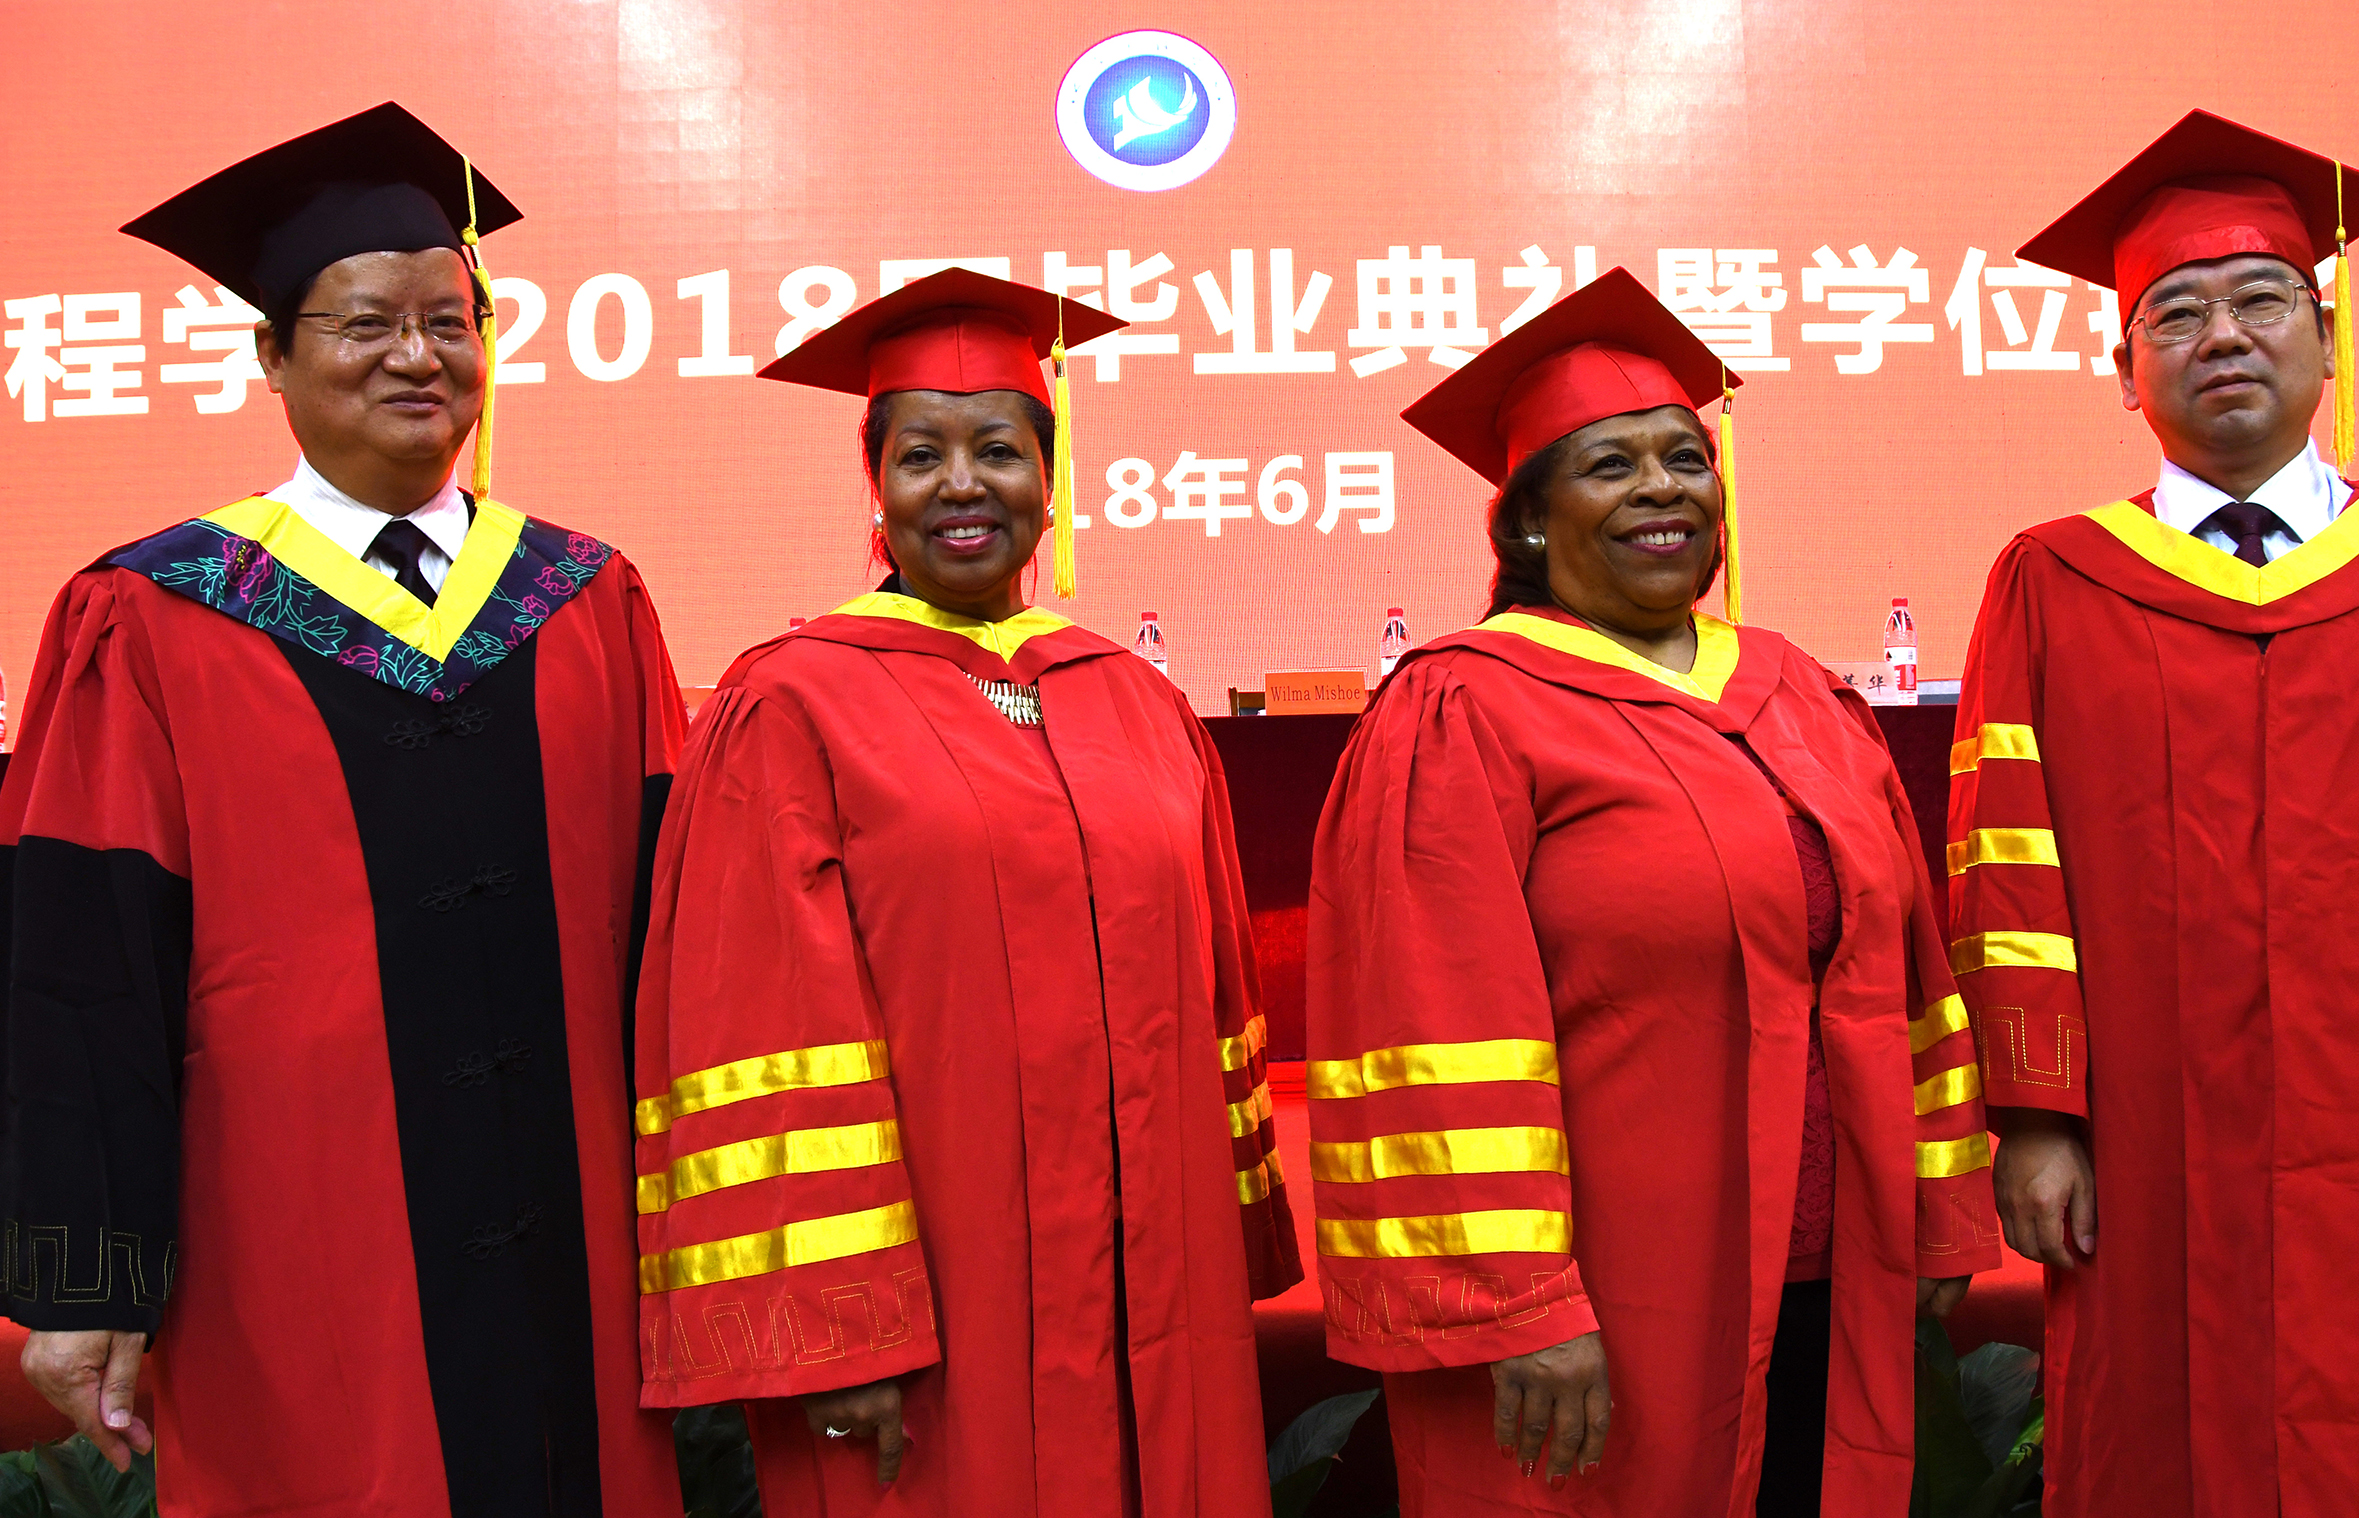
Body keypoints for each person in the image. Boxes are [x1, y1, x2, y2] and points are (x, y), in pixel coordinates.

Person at [0, 103, 686, 1514]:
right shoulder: (154, 614)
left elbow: (679, 943)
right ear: (272, 354)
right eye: (367, 323)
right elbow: (80, 966)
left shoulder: (587, 598)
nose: (418, 355)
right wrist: (82, 1277)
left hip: (585, 1259)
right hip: (295, 1254)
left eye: (451, 320)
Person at [1305, 269, 1999, 1518]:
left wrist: (1940, 1208)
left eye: (1683, 457)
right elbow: (1423, 1024)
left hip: (1833, 1276)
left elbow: (1910, 973)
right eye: (1609, 466)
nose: (1661, 488)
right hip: (1605, 1303)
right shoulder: (1463, 709)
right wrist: (1513, 1299)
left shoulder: (1799, 693)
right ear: (1525, 523)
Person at [631, 268, 1300, 1517]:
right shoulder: (793, 700)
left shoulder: (1134, 700)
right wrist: (833, 1324)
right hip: (931, 1318)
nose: (960, 484)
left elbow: (1210, 988)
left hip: (1157, 1293)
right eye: (919, 453)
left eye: (998, 450)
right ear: (875, 484)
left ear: (1049, 483)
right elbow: (761, 1031)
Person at [1953, 108, 2359, 1516]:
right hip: (2144, 1132)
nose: (2223, 336)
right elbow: (2009, 872)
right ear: (2123, 368)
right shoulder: (2054, 580)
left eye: (2262, 300)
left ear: (2327, 340)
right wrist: (2036, 1116)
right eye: (2174, 313)